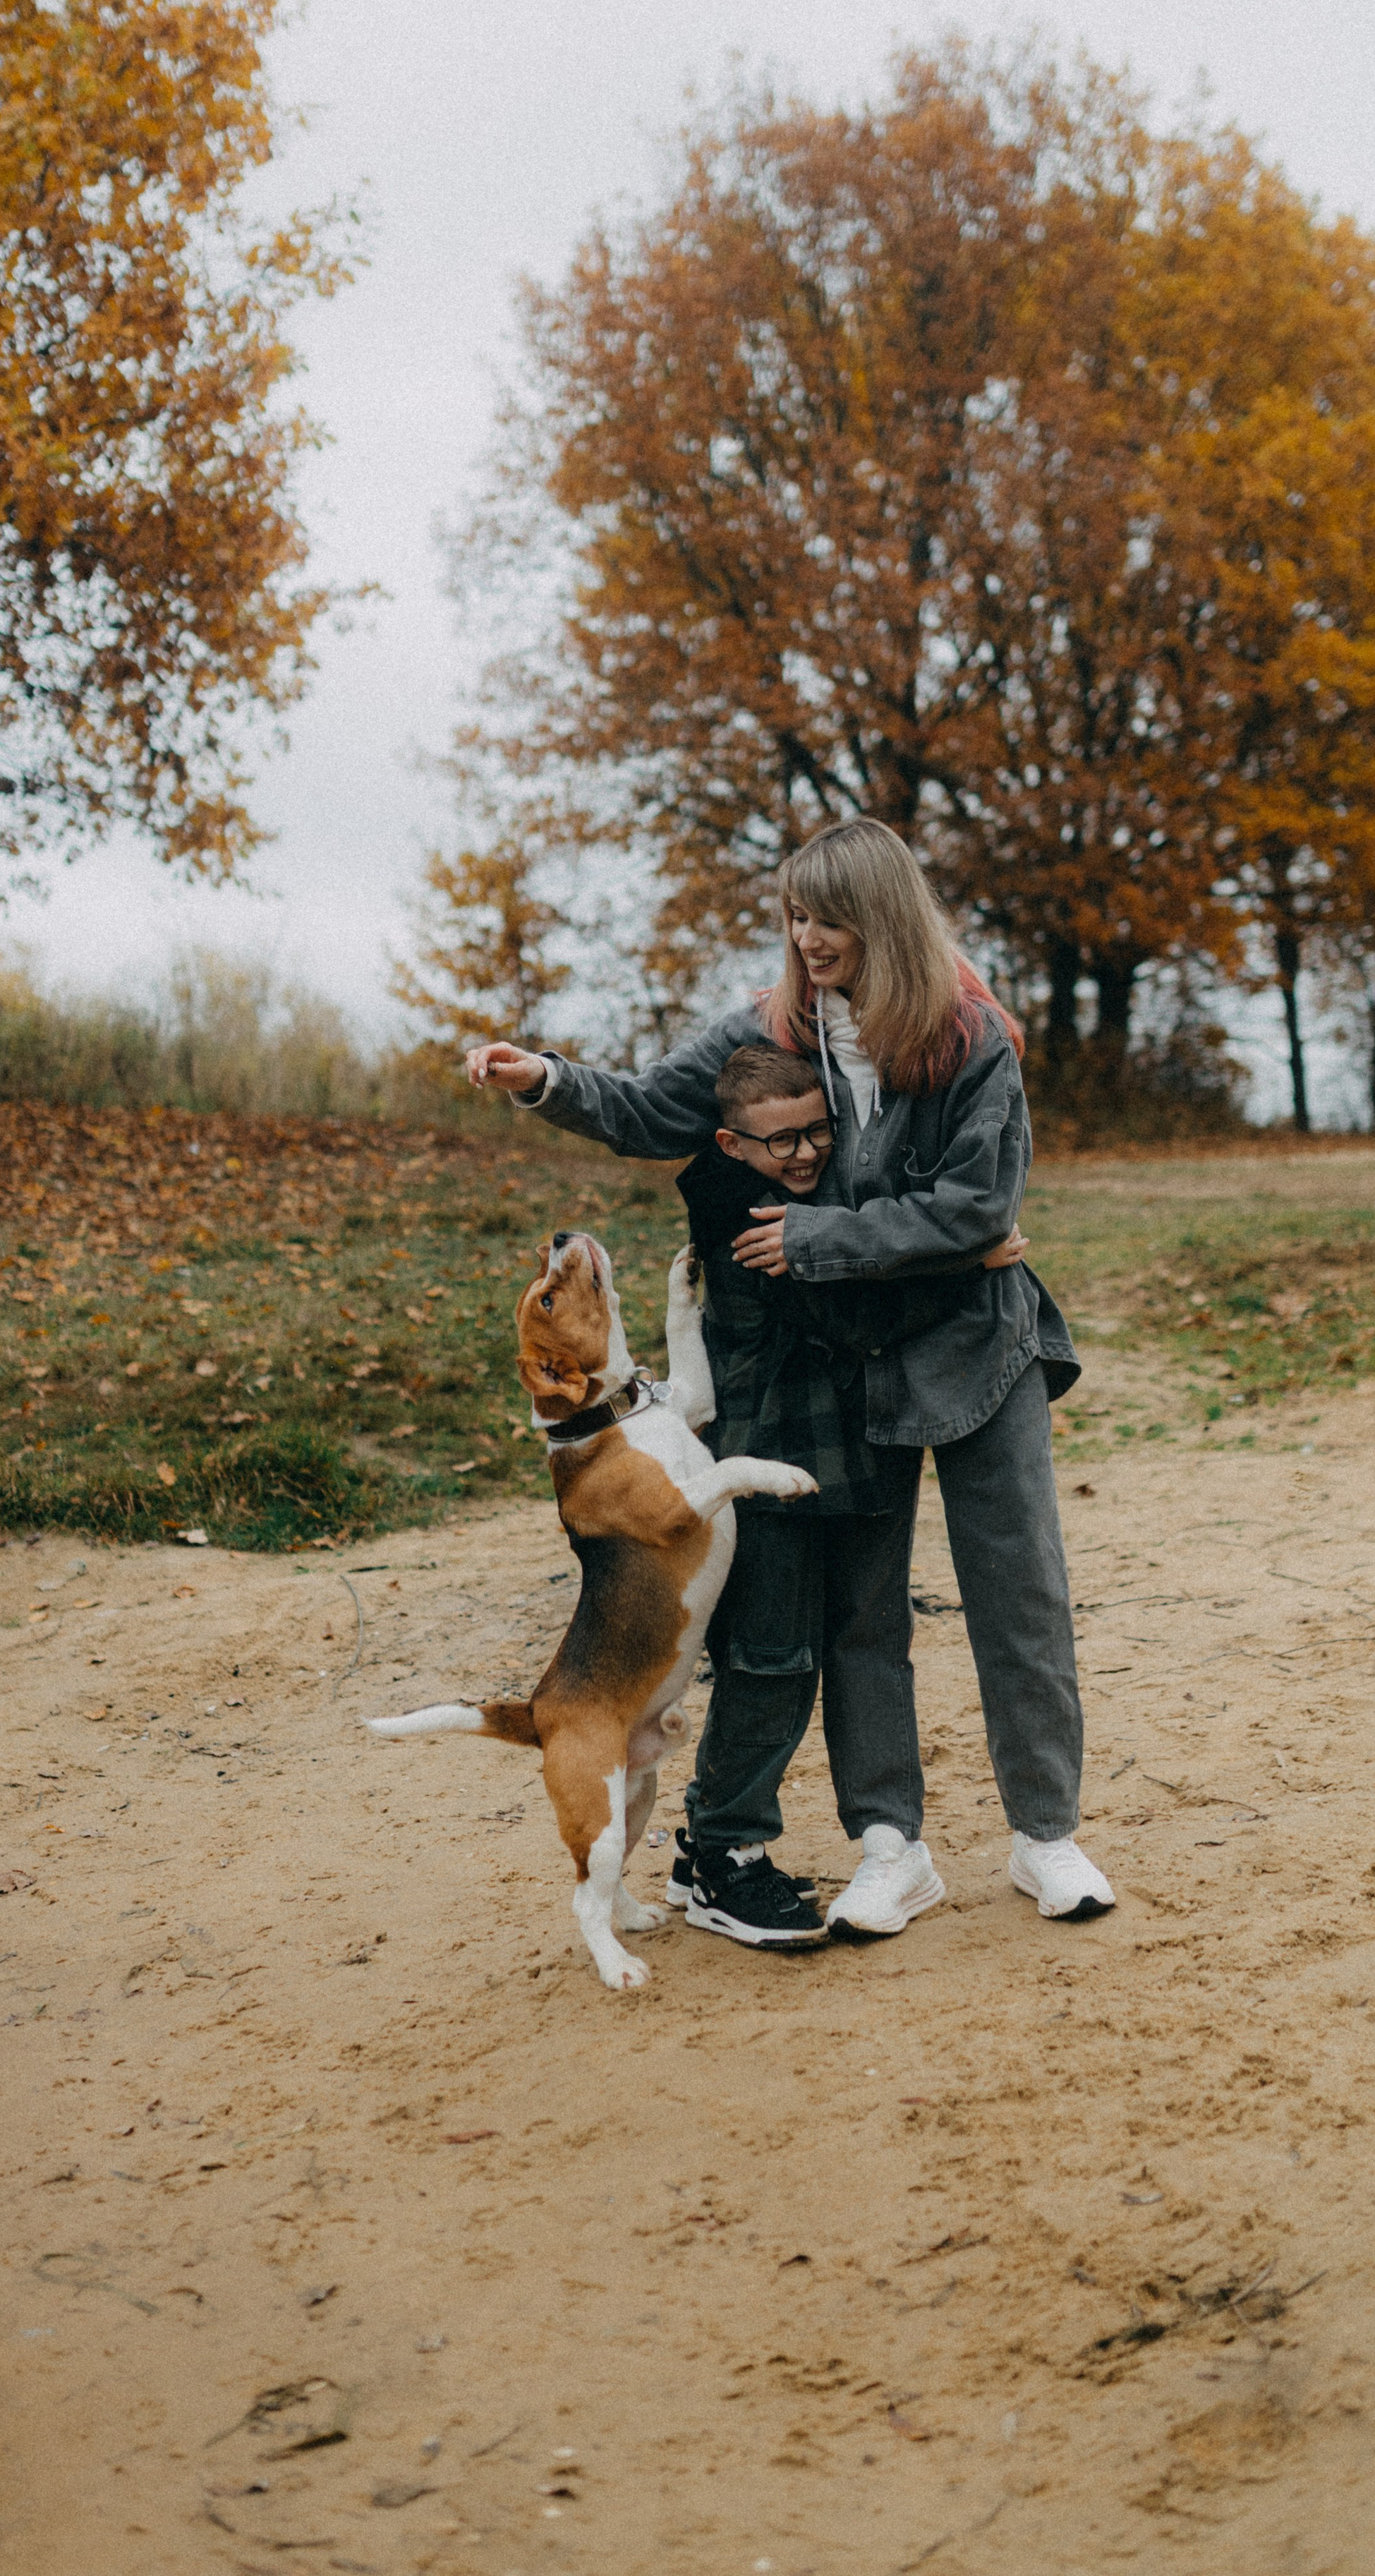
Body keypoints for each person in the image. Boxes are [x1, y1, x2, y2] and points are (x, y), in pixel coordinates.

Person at [466, 816, 1115, 1935]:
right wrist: (546, 1080)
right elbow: (649, 1111)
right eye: (797, 915)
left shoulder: (969, 1036)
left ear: (885, 918)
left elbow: (979, 1206)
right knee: (865, 1612)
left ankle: (1046, 1836)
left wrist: (821, 1239)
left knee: (1020, 1590)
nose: (810, 938)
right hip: (861, 1355)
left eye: (832, 918)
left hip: (981, 1338)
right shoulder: (771, 1030)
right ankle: (890, 1847)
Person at [663, 1041, 1029, 1947]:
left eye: (816, 1132)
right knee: (770, 1658)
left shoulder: (812, 1200)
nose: (803, 1154)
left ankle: (711, 1840)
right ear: (732, 1144)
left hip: (850, 1449)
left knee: (842, 1641)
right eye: (778, 1141)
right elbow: (851, 1316)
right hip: (769, 1460)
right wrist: (971, 1264)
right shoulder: (746, 1217)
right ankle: (723, 1853)